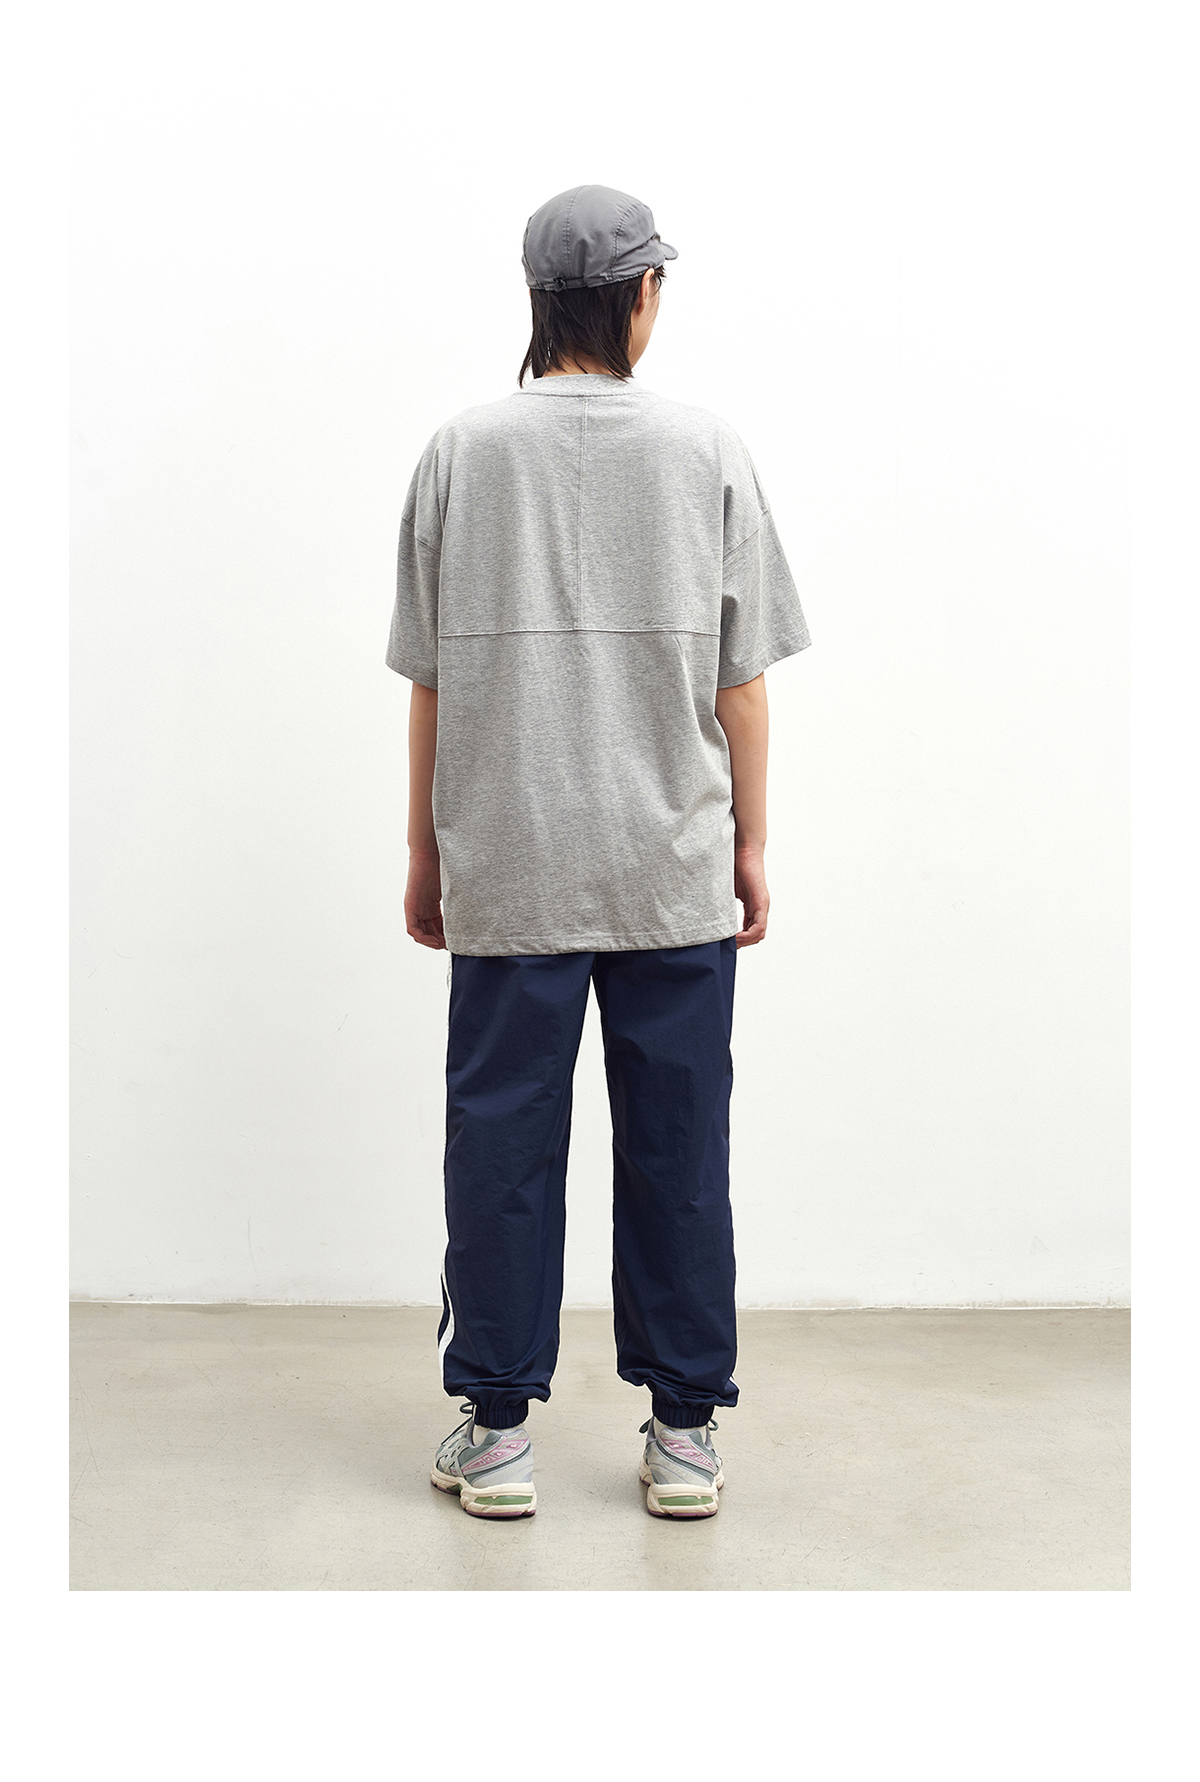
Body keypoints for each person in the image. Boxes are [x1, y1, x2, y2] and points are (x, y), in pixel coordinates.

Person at [386, 184, 810, 1520]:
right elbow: (743, 682)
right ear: (640, 297)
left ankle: (497, 1431)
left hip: (509, 856)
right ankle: (683, 1433)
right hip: (671, 863)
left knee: (499, 1145)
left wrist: (426, 850)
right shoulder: (707, 450)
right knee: (679, 1147)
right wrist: (750, 841)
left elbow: (431, 682)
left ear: (537, 300)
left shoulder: (461, 450)